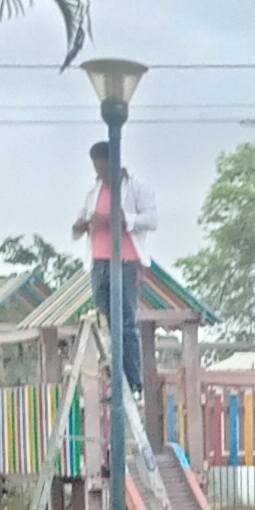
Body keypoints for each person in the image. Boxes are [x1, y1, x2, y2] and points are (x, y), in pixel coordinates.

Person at [71, 139, 157, 391]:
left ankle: (133, 381)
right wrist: (83, 225)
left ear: (114, 162)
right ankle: (117, 373)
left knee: (127, 320)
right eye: (96, 168)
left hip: (126, 261)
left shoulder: (137, 188)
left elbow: (151, 220)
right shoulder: (94, 192)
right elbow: (79, 223)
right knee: (108, 317)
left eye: (103, 167)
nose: (100, 172)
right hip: (99, 261)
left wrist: (121, 218)